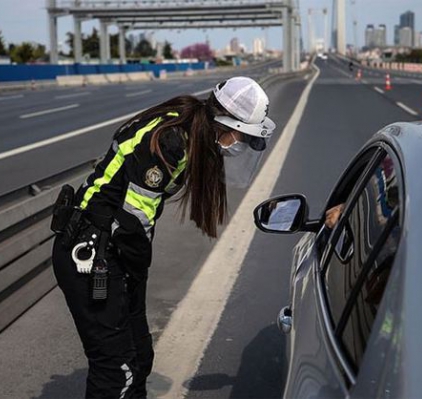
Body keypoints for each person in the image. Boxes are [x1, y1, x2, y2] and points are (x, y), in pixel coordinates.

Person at [50, 77, 275, 398]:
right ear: (225, 123)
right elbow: (132, 224)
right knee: (117, 370)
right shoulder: (171, 140)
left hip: (113, 251)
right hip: (90, 254)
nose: (240, 145)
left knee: (140, 356)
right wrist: (136, 271)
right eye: (242, 136)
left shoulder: (189, 129)